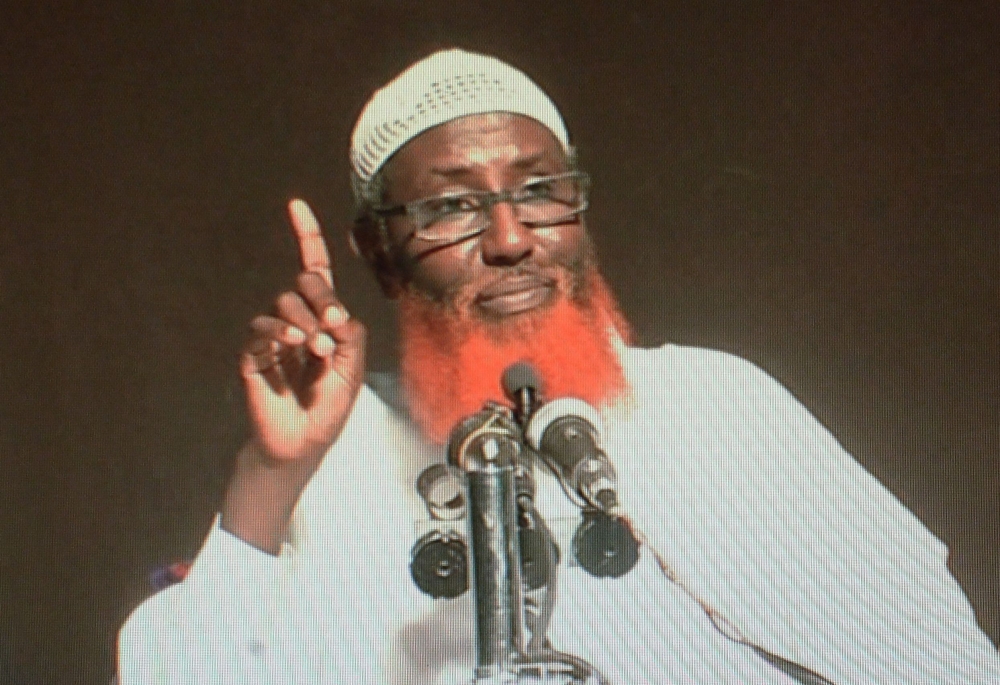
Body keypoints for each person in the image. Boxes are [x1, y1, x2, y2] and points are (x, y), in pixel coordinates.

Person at [117, 49, 1000, 684]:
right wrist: (271, 474)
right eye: (451, 206)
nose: (511, 239)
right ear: (379, 251)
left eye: (540, 192)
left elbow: (941, 659)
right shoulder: (333, 455)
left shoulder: (715, 402)